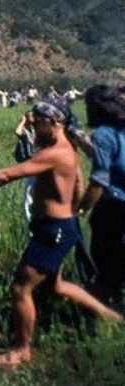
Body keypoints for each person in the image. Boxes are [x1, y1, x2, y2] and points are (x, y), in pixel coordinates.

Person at [0, 99, 123, 367]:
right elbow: (80, 183)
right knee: (54, 285)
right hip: (58, 228)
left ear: (56, 123)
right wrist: (74, 214)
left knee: (20, 289)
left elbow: (7, 175)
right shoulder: (65, 149)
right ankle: (113, 318)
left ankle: (22, 350)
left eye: (38, 121)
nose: (33, 124)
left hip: (53, 231)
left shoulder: (56, 153)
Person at [78, 85, 125, 311]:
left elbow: (100, 180)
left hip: (113, 207)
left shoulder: (103, 134)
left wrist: (81, 209)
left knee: (106, 259)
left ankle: (104, 312)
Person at [13, 112, 37, 223]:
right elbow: (17, 132)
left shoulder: (37, 130)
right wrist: (22, 121)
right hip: (31, 165)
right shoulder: (26, 132)